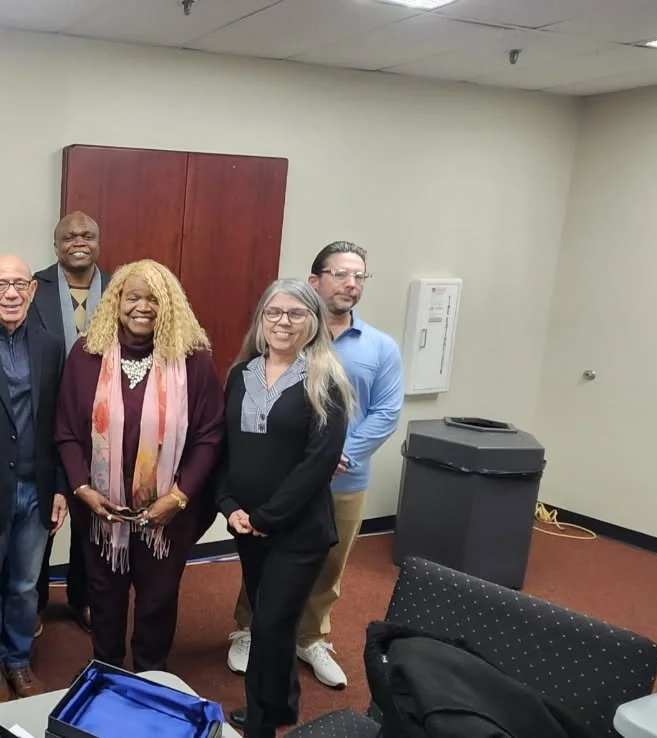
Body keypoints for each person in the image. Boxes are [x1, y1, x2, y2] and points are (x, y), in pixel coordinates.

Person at [225, 242, 402, 689]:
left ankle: (311, 639)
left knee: (325, 572)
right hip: (268, 492)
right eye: (341, 273)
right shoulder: (250, 367)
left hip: (340, 480)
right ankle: (252, 633)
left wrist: (339, 453)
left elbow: (385, 412)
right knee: (265, 584)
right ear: (316, 280)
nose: (351, 283)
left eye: (359, 276)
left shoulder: (378, 348)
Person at [52, 258, 224, 673]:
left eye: (153, 299)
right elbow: (66, 431)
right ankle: (107, 667)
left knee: (158, 597)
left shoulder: (193, 360)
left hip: (167, 511)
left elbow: (209, 435)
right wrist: (82, 488)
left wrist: (178, 498)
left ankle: (150, 668)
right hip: (101, 511)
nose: (142, 307)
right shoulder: (86, 355)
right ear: (116, 301)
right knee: (103, 593)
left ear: (169, 305)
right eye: (132, 297)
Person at [218, 278, 355, 738]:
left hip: (298, 531)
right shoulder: (240, 375)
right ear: (261, 318)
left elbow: (317, 464)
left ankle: (260, 724)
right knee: (270, 617)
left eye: (296, 313)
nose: (283, 322)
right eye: (274, 312)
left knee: (272, 626)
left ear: (313, 321)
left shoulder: (325, 380)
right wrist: (228, 505)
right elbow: (225, 448)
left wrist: (266, 517)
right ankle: (281, 705)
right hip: (248, 527)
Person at [0, 255, 67, 705]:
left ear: (33, 290)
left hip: (36, 489)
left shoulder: (50, 345)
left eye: (20, 284)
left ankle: (18, 660)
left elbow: (59, 421)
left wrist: (60, 486)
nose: (11, 293)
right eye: (1, 284)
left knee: (25, 587)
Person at [28, 211, 111, 632]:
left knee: (91, 517)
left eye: (87, 235)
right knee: (41, 514)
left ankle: (84, 597)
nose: (79, 242)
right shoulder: (31, 287)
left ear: (98, 241)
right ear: (56, 245)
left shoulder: (119, 286)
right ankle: (33, 600)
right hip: (42, 420)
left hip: (102, 423)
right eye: (69, 236)